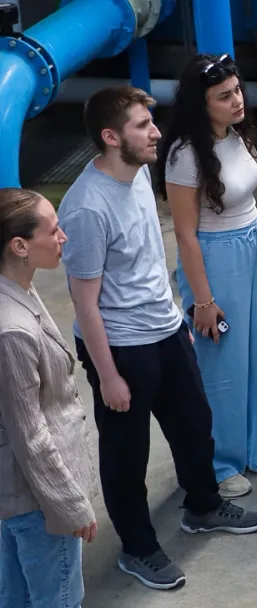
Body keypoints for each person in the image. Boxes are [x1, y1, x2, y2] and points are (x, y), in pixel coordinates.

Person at [59, 86, 257, 591]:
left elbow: (149, 259)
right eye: (141, 126)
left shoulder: (139, 174)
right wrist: (108, 375)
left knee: (195, 425)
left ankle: (203, 506)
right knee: (127, 455)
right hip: (121, 344)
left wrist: (177, 321)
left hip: (165, 328)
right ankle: (138, 548)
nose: (156, 133)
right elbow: (85, 303)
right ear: (111, 137)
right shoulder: (86, 208)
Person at [156, 54, 257, 500]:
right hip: (214, 256)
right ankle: (219, 462)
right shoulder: (185, 155)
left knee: (253, 354)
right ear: (200, 104)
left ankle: (251, 445)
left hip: (250, 247)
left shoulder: (236, 134)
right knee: (221, 365)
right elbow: (185, 235)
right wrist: (203, 301)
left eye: (237, 90)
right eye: (224, 96)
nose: (237, 100)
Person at [0, 189, 97, 607]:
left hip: (20, 496)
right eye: (53, 230)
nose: (63, 238)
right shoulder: (13, 331)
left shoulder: (18, 289)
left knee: (16, 597)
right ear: (20, 246)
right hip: (38, 502)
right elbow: (31, 436)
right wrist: (70, 506)